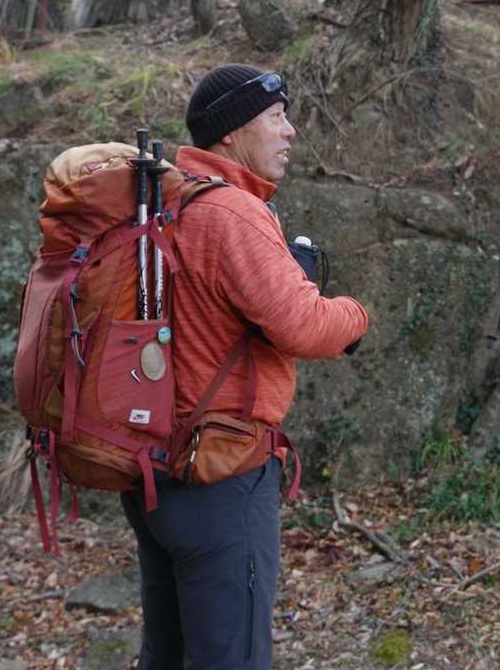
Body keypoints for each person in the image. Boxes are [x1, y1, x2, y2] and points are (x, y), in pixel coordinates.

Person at [122, 64, 369, 670]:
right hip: (219, 478)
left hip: (151, 469)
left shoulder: (164, 198)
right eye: (276, 117)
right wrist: (356, 315)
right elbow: (302, 325)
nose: (290, 131)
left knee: (167, 653)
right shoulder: (231, 213)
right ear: (231, 132)